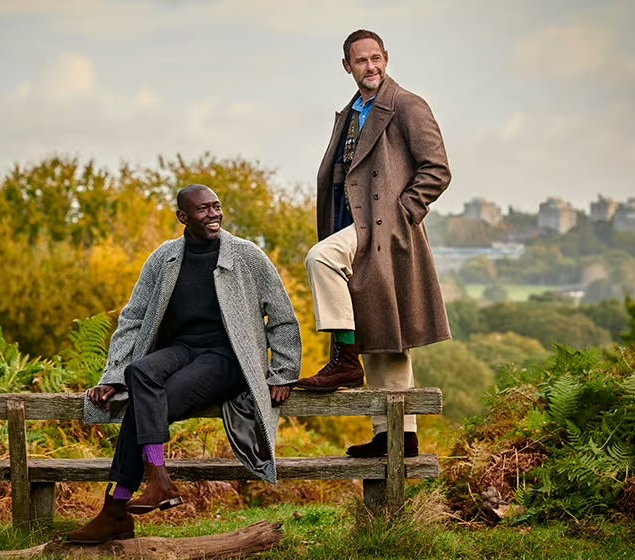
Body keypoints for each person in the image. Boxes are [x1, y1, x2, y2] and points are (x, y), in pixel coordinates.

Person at [67, 184, 301, 544]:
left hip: (228, 358)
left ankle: (117, 509)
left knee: (147, 404)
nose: (214, 215)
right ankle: (157, 481)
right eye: (204, 209)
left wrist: (282, 372)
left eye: (217, 207)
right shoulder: (164, 258)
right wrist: (113, 374)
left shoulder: (246, 256)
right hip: (183, 349)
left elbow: (282, 316)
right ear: (183, 217)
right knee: (138, 373)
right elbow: (133, 318)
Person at [295, 30, 451, 459]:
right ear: (347, 66)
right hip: (351, 222)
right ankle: (397, 438)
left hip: (384, 228)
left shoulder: (407, 105)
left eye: (376, 58)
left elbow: (436, 169)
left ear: (387, 58)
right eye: (361, 61)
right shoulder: (350, 113)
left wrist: (402, 214)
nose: (371, 67)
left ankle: (345, 358)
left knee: (321, 258)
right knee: (385, 334)